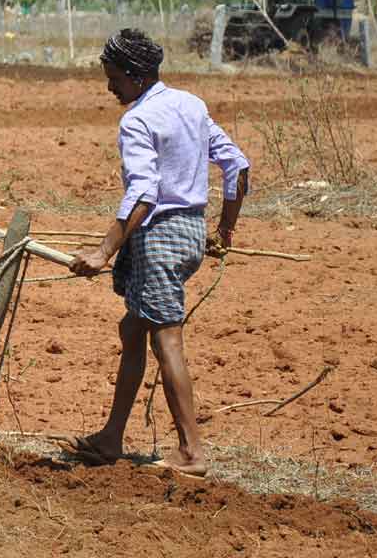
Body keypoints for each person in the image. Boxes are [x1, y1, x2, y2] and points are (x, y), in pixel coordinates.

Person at [61, 28, 250, 478]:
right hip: (188, 238)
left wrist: (103, 252)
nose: (110, 89)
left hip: (159, 240)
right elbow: (237, 166)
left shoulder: (137, 121)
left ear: (136, 75)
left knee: (167, 341)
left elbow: (144, 194)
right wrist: (223, 230)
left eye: (114, 80)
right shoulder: (191, 105)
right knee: (132, 328)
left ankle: (191, 452)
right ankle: (111, 437)